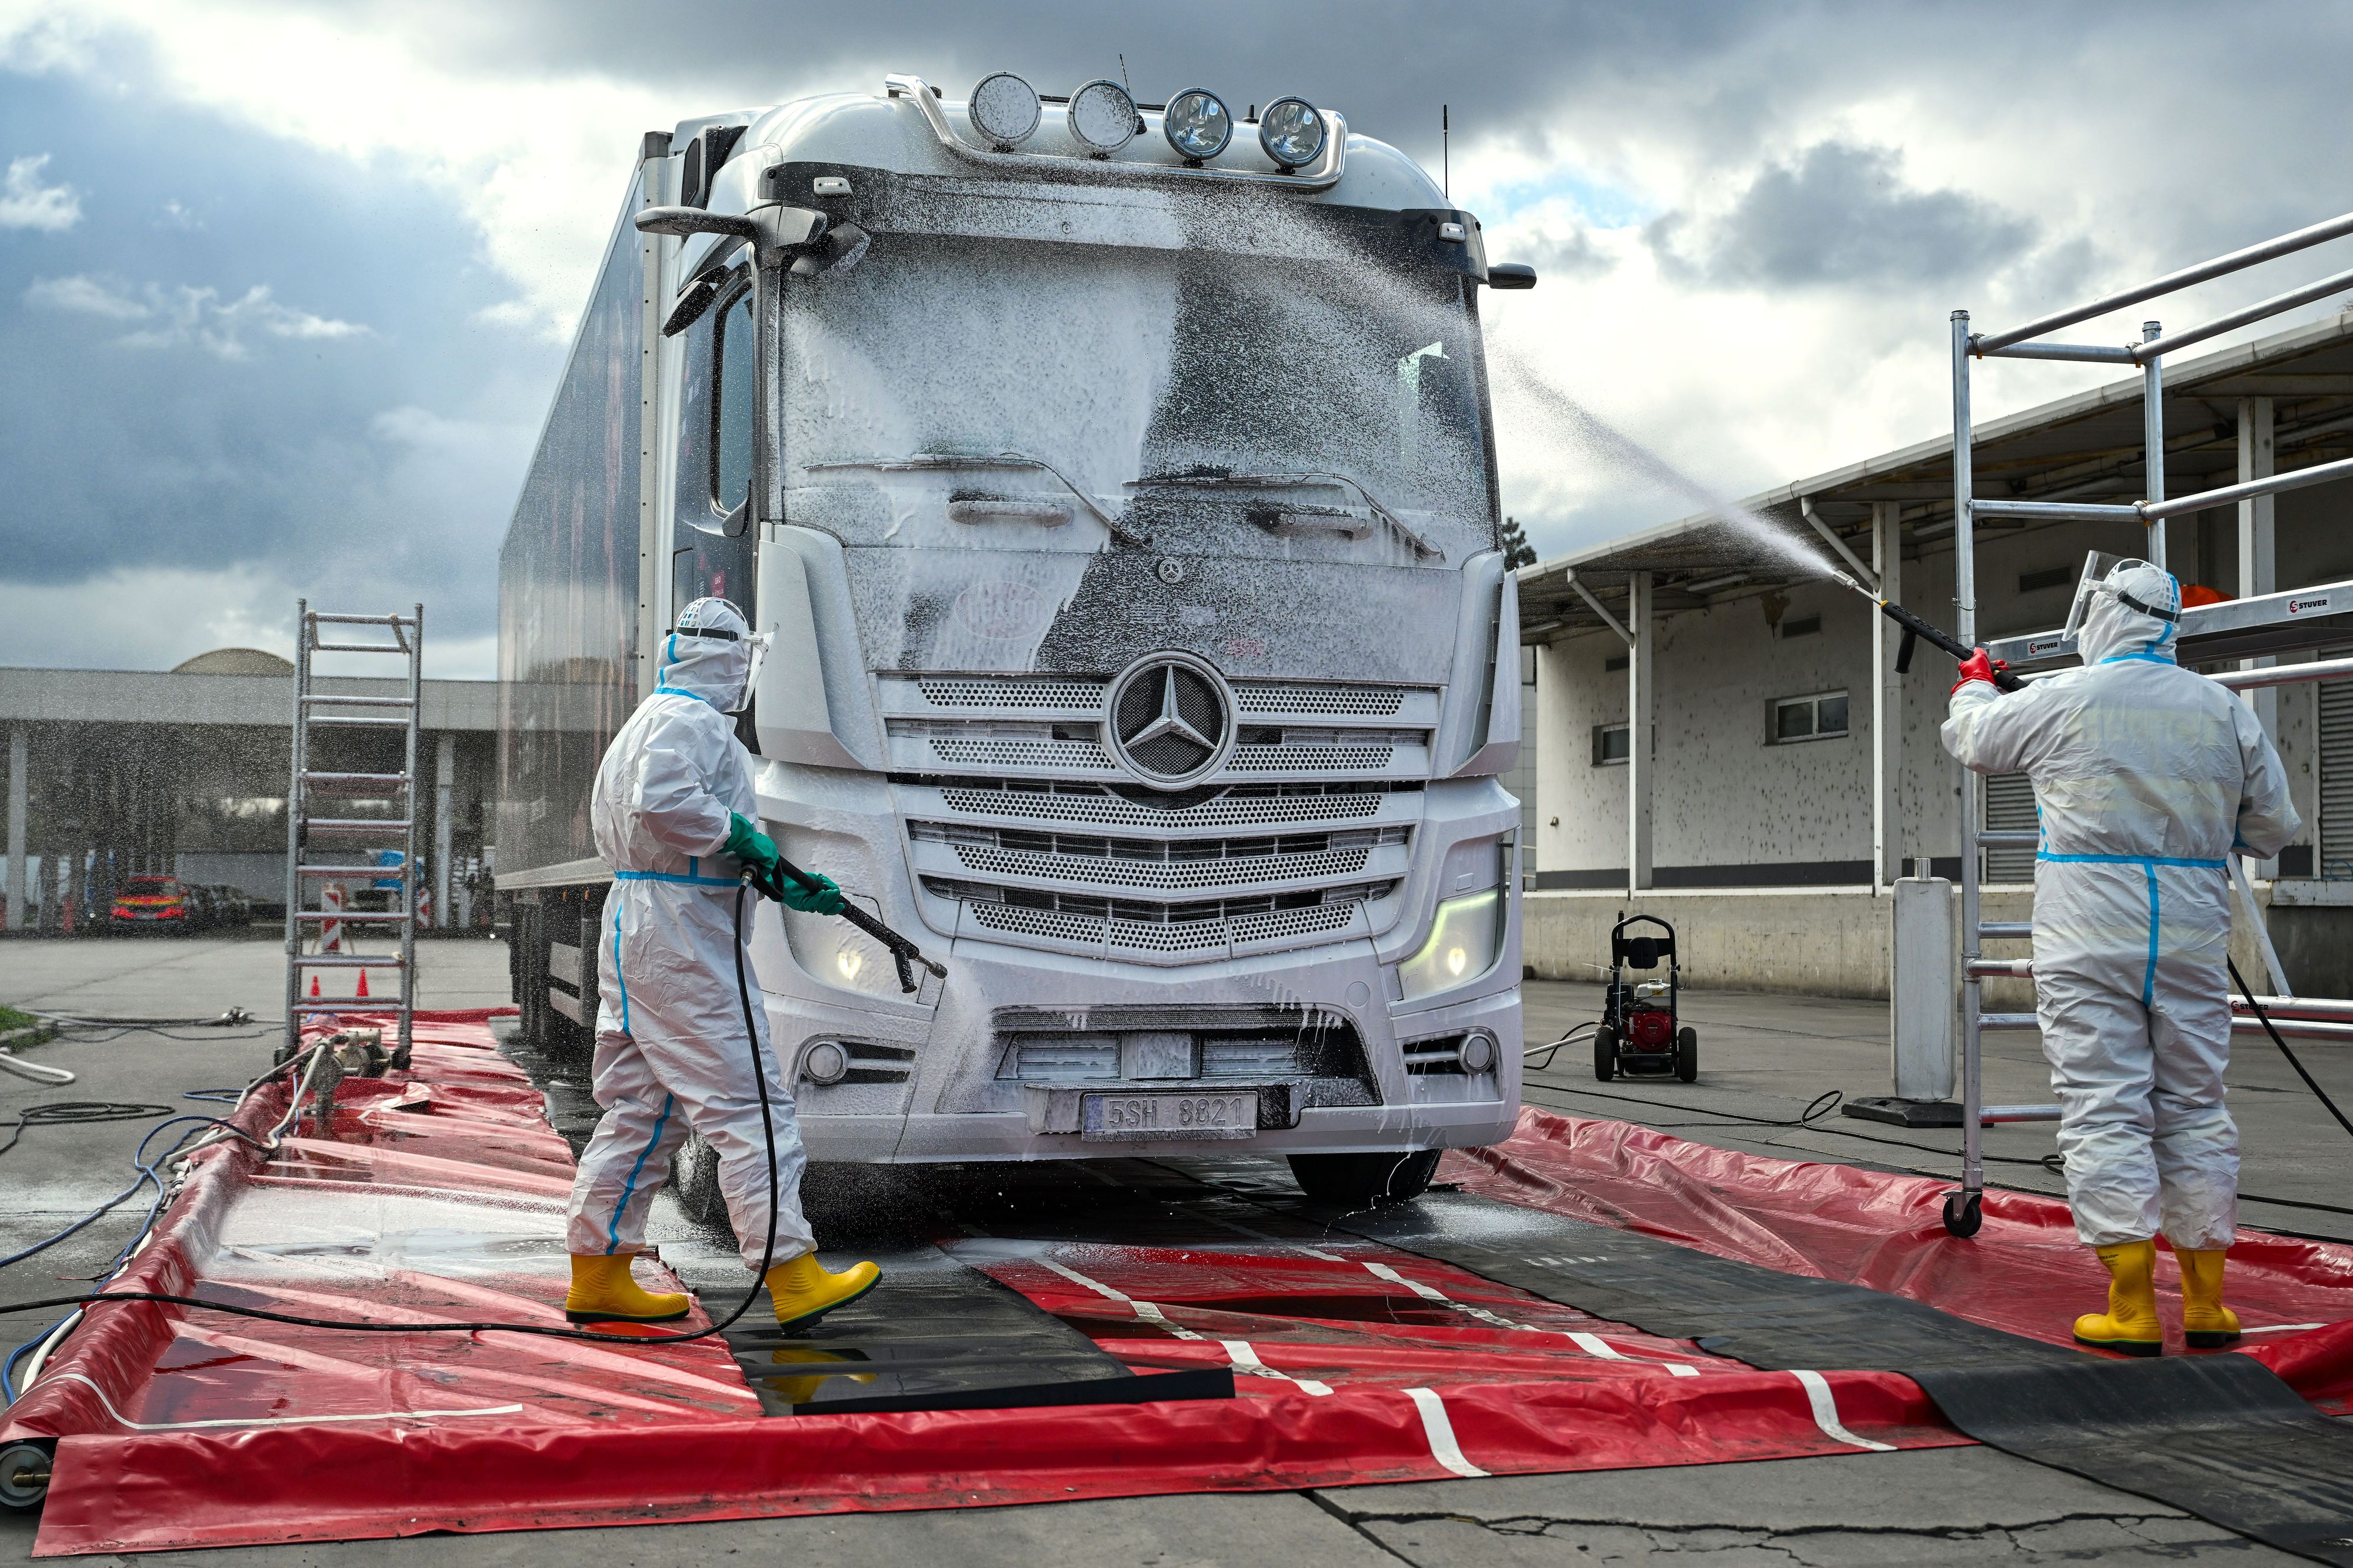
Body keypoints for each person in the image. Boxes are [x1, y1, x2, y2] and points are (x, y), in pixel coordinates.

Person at [1942, 559, 2298, 1355]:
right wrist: (2197, 834)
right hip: (2190, 935)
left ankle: (2131, 1307)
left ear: (2104, 616)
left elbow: (1970, 739)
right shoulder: (2221, 708)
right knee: (2196, 1104)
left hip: (2087, 934)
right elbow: (2273, 825)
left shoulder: (2064, 697)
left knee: (2104, 1105)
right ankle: (2207, 1304)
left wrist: (1975, 682)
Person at [562, 596, 881, 1330]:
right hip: (682, 938)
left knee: (643, 1107)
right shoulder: (694, 722)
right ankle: (793, 1274)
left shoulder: (648, 717)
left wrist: (760, 864)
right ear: (733, 659)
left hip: (641, 925)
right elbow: (665, 803)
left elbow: (661, 819)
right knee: (751, 1107)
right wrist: (742, 834)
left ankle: (599, 1270)